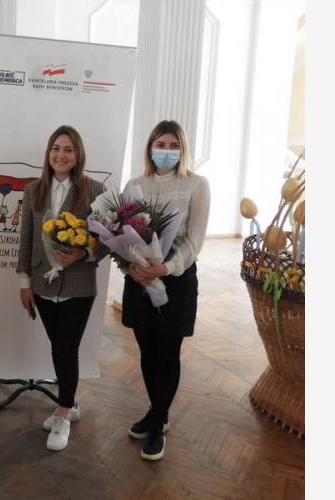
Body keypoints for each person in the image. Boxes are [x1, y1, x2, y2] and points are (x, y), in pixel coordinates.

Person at [15, 125, 109, 452]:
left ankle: (63, 413)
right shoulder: (33, 190)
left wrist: (84, 253)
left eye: (68, 149)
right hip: (42, 282)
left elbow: (106, 240)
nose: (61, 154)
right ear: (48, 153)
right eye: (56, 148)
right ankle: (70, 403)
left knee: (67, 349)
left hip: (79, 284)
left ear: (78, 154)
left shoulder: (94, 190)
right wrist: (24, 284)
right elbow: (25, 239)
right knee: (58, 347)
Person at [122, 120, 210, 461]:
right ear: (150, 147)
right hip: (140, 278)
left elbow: (195, 239)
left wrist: (167, 268)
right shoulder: (135, 184)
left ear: (183, 150)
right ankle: (156, 410)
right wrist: (132, 265)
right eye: (161, 144)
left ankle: (158, 423)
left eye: (174, 145)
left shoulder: (196, 185)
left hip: (177, 278)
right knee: (147, 348)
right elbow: (122, 233)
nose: (167, 151)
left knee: (168, 350)